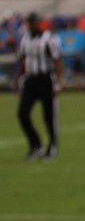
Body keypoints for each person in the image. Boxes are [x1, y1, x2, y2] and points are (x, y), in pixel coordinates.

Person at [14, 12, 63, 161]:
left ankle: (52, 147)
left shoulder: (49, 39)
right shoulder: (25, 39)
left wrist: (57, 83)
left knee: (49, 116)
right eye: (31, 23)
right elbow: (23, 60)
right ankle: (35, 145)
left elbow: (57, 61)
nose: (33, 25)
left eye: (35, 23)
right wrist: (18, 79)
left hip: (45, 79)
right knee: (23, 113)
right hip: (31, 80)